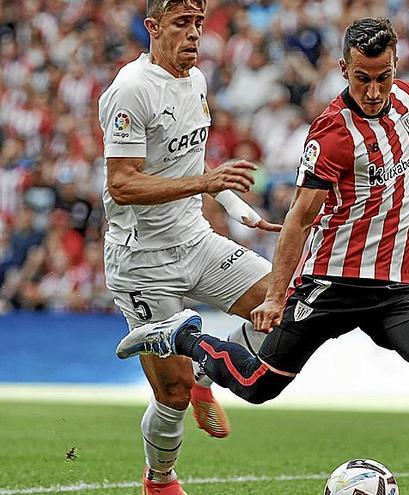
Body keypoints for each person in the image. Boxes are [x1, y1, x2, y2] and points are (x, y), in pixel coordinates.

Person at [117, 17, 409, 495]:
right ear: (343, 70)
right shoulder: (332, 134)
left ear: (395, 67)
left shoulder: (407, 102)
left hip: (400, 289)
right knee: (257, 384)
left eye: (383, 77)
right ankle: (185, 339)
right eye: (362, 78)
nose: (373, 91)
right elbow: (299, 217)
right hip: (333, 283)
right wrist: (276, 296)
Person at [97, 1, 282, 493]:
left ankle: (204, 367)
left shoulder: (195, 81)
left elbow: (193, 168)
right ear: (152, 28)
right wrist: (207, 182)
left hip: (195, 241)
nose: (195, 35)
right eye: (182, 23)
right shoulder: (130, 92)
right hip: (142, 261)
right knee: (173, 393)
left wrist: (239, 209)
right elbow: (123, 185)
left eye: (199, 23)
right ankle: (160, 479)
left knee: (288, 304)